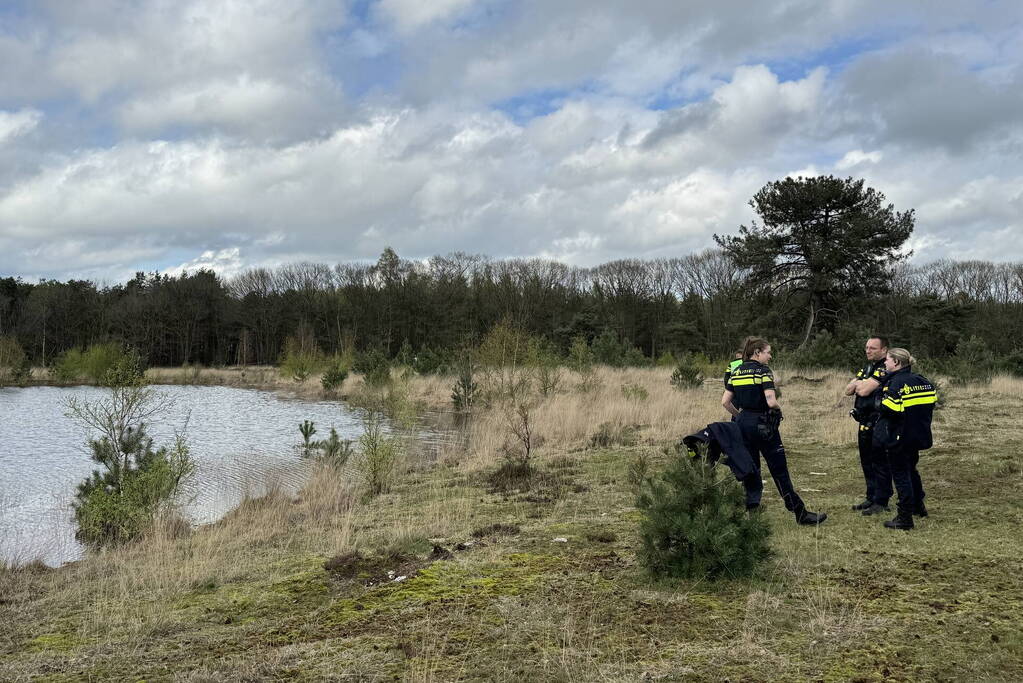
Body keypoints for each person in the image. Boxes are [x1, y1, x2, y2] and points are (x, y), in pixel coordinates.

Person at [721, 337, 827, 525]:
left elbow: (725, 402)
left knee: (752, 470)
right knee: (779, 470)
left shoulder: (736, 371)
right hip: (763, 424)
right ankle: (800, 513)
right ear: (757, 353)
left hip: (743, 423)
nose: (770, 356)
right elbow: (771, 400)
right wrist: (778, 411)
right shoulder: (763, 371)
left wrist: (740, 417)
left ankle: (753, 515)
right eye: (768, 352)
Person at [873, 348, 937, 530]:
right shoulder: (923, 381)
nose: (884, 363)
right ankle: (919, 506)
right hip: (918, 435)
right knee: (911, 470)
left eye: (887, 360)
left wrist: (880, 397)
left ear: (896, 363)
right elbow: (932, 402)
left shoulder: (895, 383)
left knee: (901, 475)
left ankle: (905, 517)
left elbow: (888, 409)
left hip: (899, 437)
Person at [844, 335, 893, 515]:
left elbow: (863, 390)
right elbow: (848, 390)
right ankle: (871, 496)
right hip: (863, 420)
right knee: (867, 461)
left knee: (880, 462)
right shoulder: (867, 367)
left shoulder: (885, 367)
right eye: (866, 347)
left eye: (872, 348)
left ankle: (882, 500)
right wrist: (860, 383)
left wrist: (860, 383)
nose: (867, 350)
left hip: (878, 421)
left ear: (884, 350)